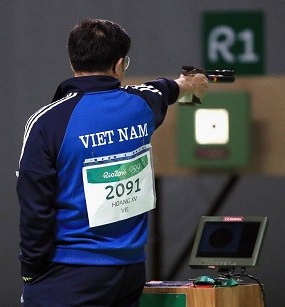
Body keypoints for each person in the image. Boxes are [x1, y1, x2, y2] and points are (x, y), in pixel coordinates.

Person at [17, 18, 208, 306]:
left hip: (67, 274)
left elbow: (35, 208)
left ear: (72, 61)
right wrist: (189, 84)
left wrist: (31, 272)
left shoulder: (48, 122)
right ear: (120, 64)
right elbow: (165, 89)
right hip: (129, 272)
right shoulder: (141, 104)